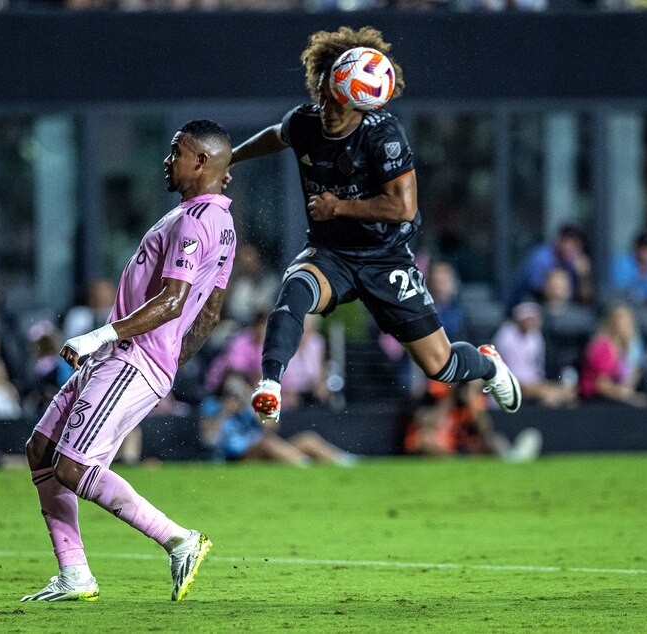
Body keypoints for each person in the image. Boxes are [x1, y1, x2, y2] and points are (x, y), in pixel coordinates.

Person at [227, 26, 521, 423]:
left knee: (441, 366)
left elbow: (403, 207)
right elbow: (277, 136)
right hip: (332, 254)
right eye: (325, 98)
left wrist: (340, 208)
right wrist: (230, 157)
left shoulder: (384, 135)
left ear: (361, 106)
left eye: (340, 104)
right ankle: (270, 385)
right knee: (295, 288)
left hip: (386, 259)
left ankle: (488, 365)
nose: (328, 110)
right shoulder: (306, 121)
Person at [21, 120, 235, 604]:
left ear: (200, 161)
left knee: (73, 466)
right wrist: (171, 360)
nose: (167, 160)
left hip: (129, 356)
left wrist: (109, 338)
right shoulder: (216, 224)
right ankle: (74, 574)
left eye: (176, 151)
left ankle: (179, 540)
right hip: (131, 356)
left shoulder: (195, 221)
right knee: (41, 451)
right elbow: (212, 310)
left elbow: (176, 300)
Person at [199, 371, 354, 467]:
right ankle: (304, 465)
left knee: (308, 439)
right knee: (266, 442)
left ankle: (347, 462)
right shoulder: (212, 404)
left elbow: (272, 427)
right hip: (237, 458)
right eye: (231, 388)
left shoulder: (250, 402)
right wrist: (225, 412)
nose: (234, 393)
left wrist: (249, 403)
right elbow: (208, 438)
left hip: (268, 449)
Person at [401, 380, 541, 462]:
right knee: (425, 440)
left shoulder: (470, 399)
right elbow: (423, 421)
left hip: (462, 448)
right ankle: (459, 463)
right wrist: (449, 399)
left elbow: (485, 430)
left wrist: (471, 401)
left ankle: (513, 458)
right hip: (442, 446)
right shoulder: (433, 392)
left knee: (494, 441)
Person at [492, 302, 576, 408]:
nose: (532, 322)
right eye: (528, 318)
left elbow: (536, 372)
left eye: (534, 318)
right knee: (549, 397)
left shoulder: (535, 337)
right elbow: (515, 381)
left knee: (569, 393)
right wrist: (544, 389)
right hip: (508, 391)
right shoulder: (507, 336)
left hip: (533, 386)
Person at [578, 304, 647, 408]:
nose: (629, 324)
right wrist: (630, 397)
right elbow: (600, 385)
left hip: (614, 397)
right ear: (612, 324)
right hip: (595, 400)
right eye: (623, 321)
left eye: (630, 320)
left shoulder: (629, 346)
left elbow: (633, 375)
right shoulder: (603, 347)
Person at [509, 224, 593, 308]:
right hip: (522, 306)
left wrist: (584, 277)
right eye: (567, 242)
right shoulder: (542, 257)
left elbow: (585, 298)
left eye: (575, 245)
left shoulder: (572, 261)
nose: (569, 248)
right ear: (559, 240)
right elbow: (537, 292)